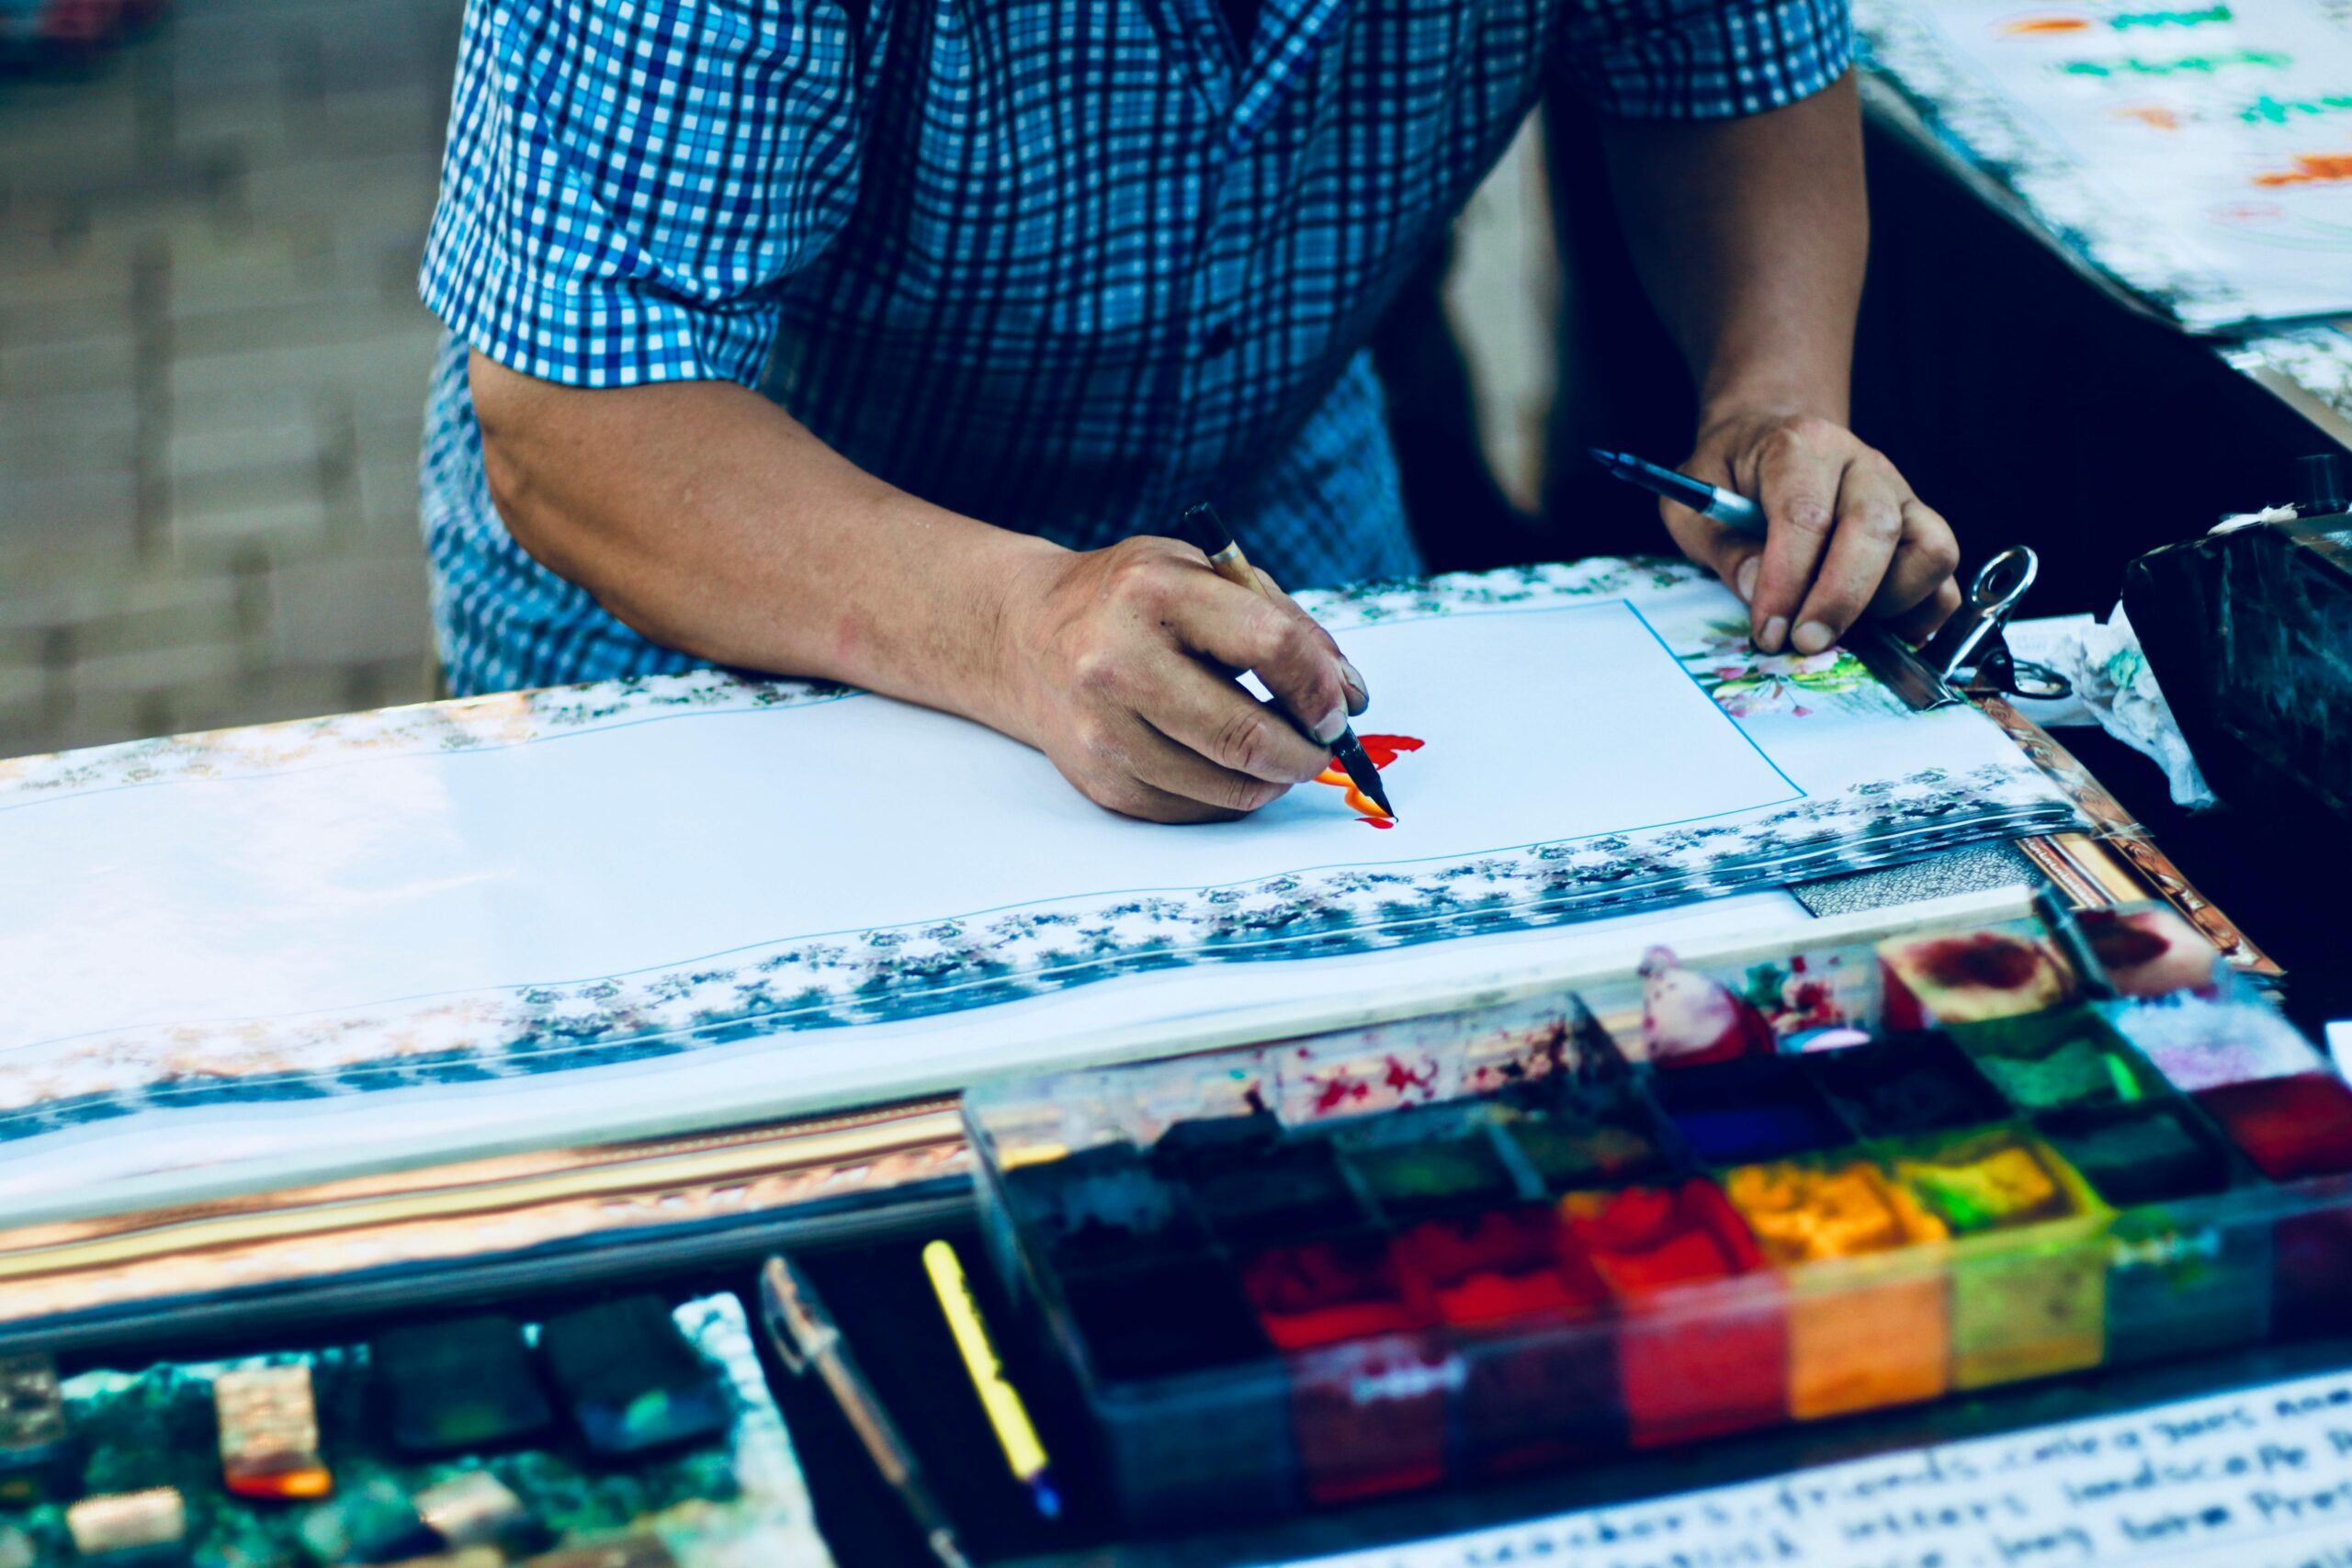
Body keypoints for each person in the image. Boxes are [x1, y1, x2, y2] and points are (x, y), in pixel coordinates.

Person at [418, 0, 1962, 824]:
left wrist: (1768, 402)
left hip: (1264, 491)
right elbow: (583, 420)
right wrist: (1013, 620)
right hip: (732, 578)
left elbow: (1725, 58)